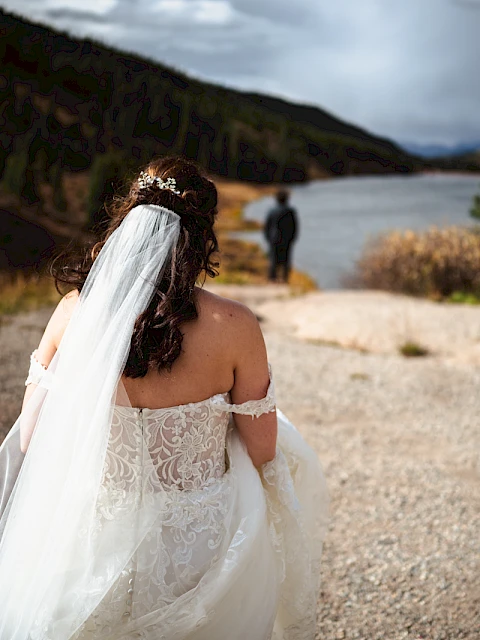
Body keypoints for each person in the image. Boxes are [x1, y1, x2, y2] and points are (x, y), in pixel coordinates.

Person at [0, 156, 328, 640]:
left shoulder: (74, 313)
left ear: (125, 225)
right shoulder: (234, 325)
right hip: (198, 544)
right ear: (200, 239)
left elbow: (30, 436)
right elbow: (262, 450)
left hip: (88, 536)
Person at [264, 189, 298, 283]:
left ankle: (272, 279)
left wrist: (268, 238)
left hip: (274, 239)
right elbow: (294, 227)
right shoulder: (290, 211)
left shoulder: (272, 211)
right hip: (287, 239)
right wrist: (293, 239)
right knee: (286, 260)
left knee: (273, 260)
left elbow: (267, 226)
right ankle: (284, 279)